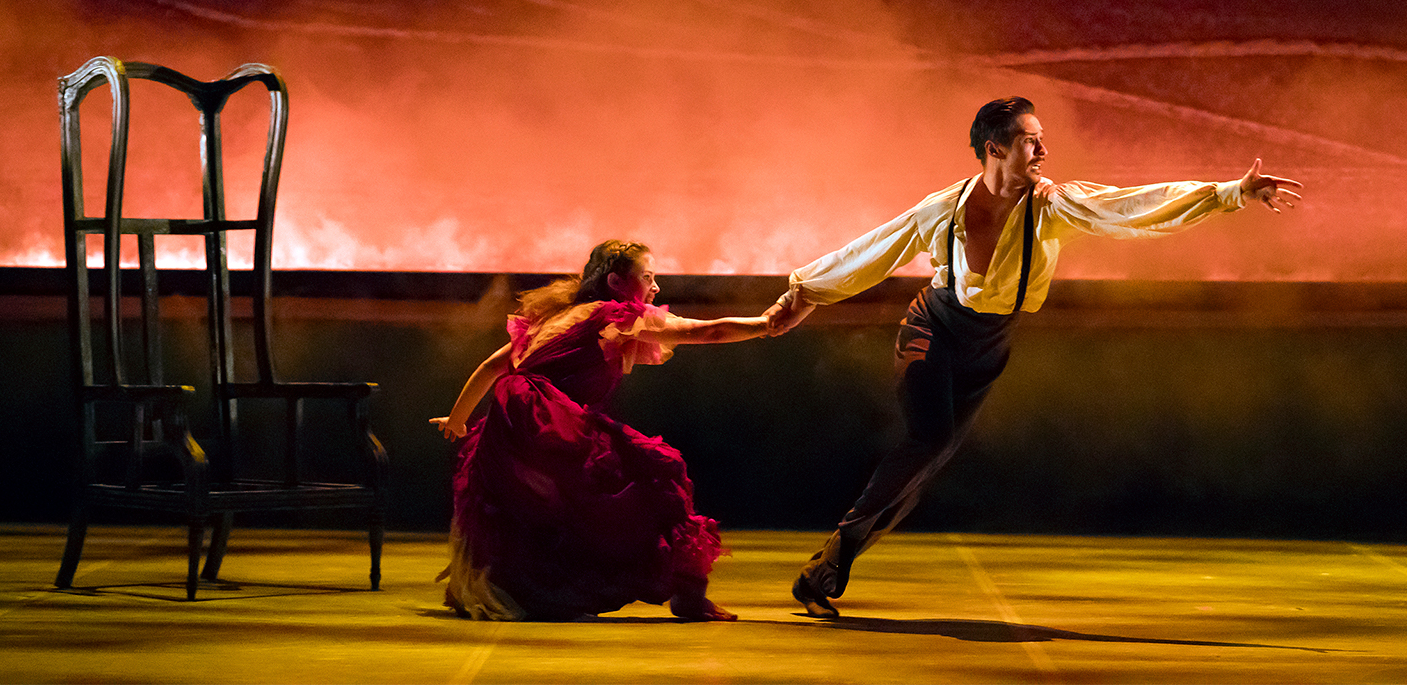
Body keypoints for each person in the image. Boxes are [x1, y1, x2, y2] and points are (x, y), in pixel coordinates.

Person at [766, 96, 1303, 618]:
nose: (1043, 150)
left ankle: (826, 569)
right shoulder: (944, 208)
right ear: (995, 150)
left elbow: (1132, 207)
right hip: (932, 329)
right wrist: (804, 291)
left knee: (930, 460)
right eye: (1030, 141)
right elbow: (874, 249)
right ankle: (834, 557)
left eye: (1042, 140)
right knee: (927, 438)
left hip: (989, 347)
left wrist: (1230, 192)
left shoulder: (1051, 205)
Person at [431, 240, 770, 622]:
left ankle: (550, 589)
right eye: (647, 277)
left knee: (559, 507)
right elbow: (703, 332)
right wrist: (766, 324)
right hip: (547, 422)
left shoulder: (555, 317)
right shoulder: (613, 315)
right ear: (616, 281)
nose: (655, 287)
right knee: (659, 473)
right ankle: (685, 595)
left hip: (513, 423)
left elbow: (493, 367)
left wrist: (457, 418)